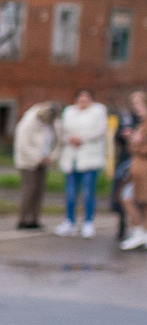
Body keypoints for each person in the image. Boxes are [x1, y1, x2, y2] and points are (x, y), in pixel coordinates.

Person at [55, 88, 109, 238]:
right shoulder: (70, 112)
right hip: (72, 157)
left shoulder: (98, 112)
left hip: (89, 157)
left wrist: (82, 138)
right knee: (71, 193)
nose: (83, 101)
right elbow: (62, 130)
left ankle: (88, 222)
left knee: (88, 191)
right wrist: (70, 138)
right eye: (80, 98)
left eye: (86, 98)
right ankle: (69, 221)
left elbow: (99, 130)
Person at [13, 103, 60, 230]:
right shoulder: (28, 122)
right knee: (29, 190)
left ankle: (34, 218)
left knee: (39, 190)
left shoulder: (53, 124)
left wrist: (51, 157)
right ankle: (23, 219)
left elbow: (57, 142)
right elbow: (23, 144)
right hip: (28, 162)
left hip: (44, 161)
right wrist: (38, 158)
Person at [119, 91, 147, 250]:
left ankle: (141, 233)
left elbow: (141, 148)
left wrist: (136, 142)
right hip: (138, 170)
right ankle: (140, 232)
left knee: (133, 199)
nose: (136, 108)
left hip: (144, 169)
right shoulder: (141, 123)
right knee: (131, 198)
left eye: (139, 104)